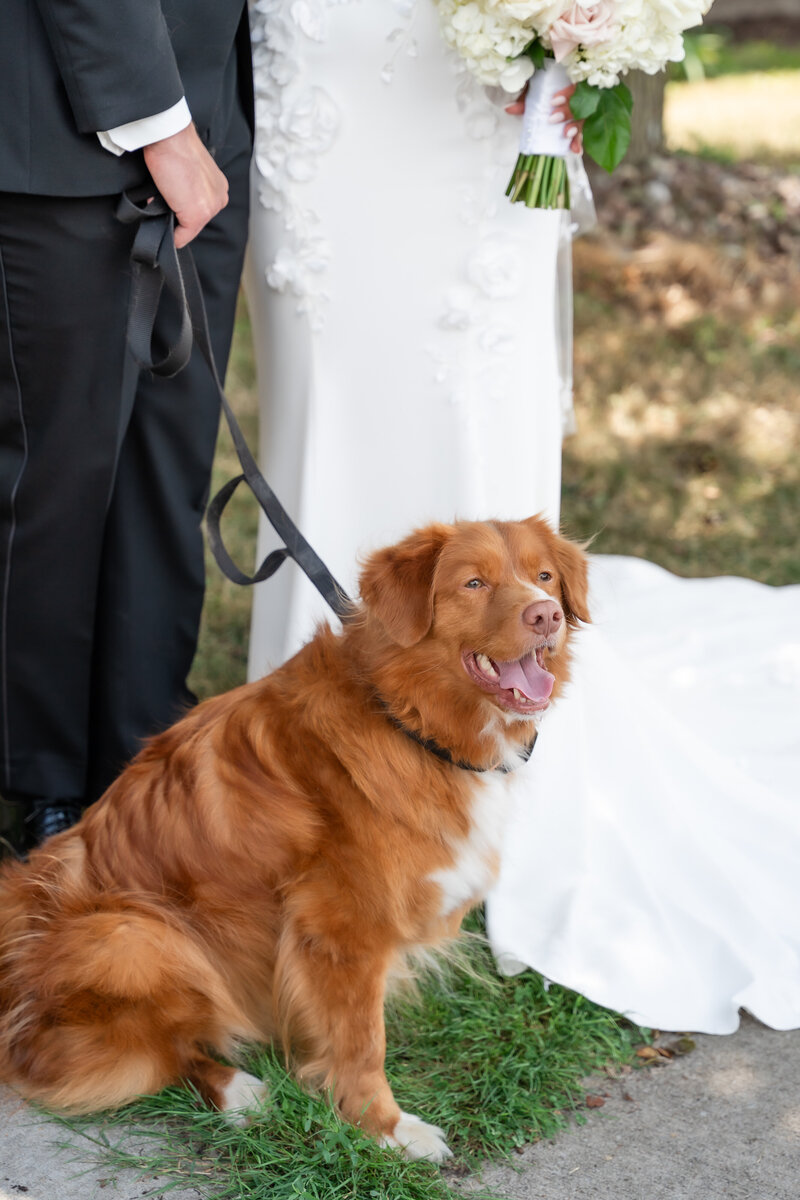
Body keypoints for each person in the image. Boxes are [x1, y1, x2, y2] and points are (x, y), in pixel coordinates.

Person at [243, 2, 800, 1035]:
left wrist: (573, 37)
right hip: (315, 86)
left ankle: (486, 742)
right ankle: (309, 754)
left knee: (463, 402)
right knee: (331, 402)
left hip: (469, 103)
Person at [0, 0, 253, 848]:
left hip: (212, 110)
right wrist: (156, 121)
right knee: (54, 479)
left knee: (165, 469)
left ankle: (140, 762)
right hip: (72, 120)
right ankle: (38, 779)